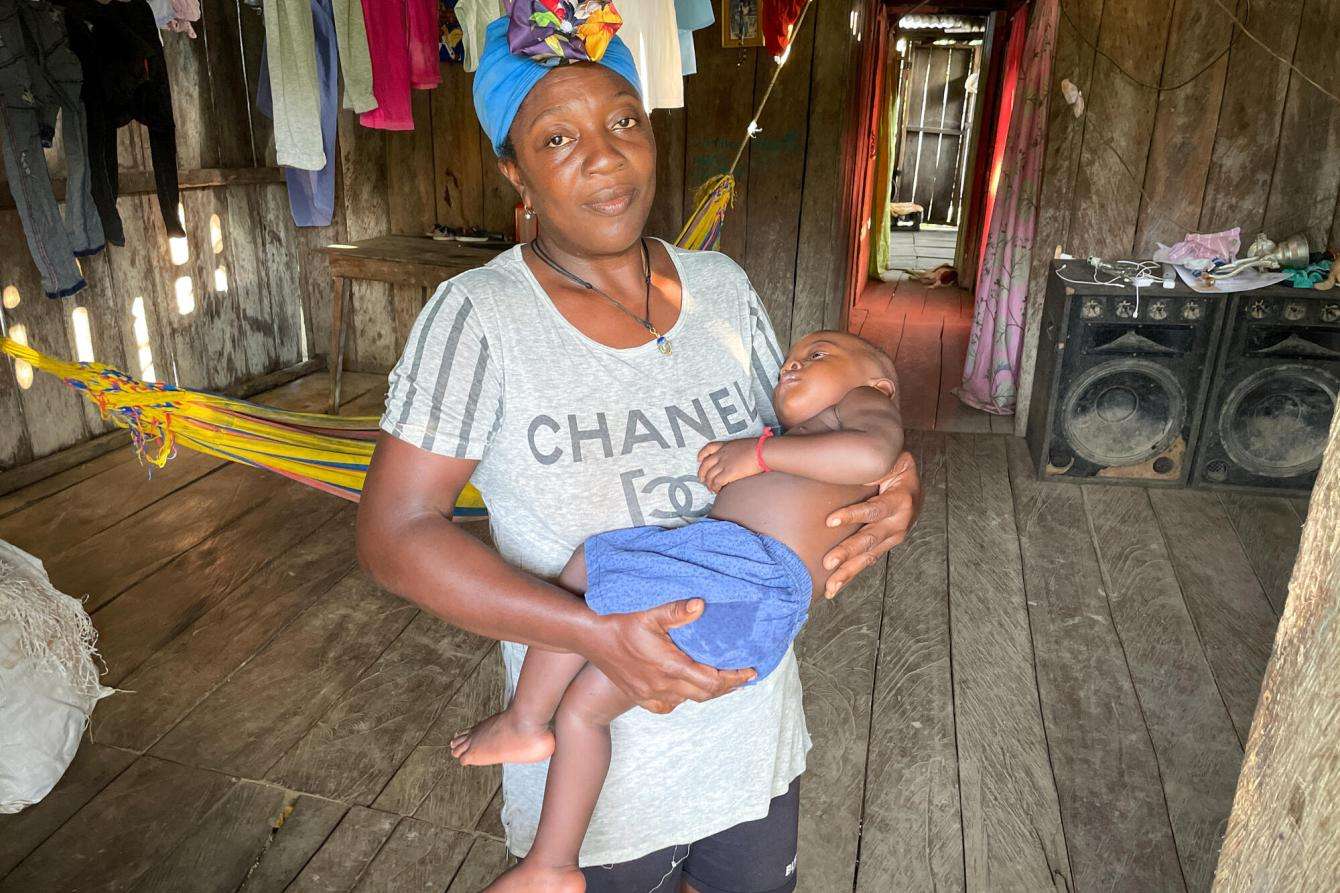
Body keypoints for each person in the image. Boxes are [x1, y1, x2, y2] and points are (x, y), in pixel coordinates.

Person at [355, 14, 922, 893]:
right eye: (557, 137)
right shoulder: (481, 318)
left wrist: (898, 478)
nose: (606, 157)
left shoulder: (722, 289)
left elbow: (831, 425)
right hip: (602, 795)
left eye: (624, 121)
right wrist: (591, 634)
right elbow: (394, 534)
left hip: (749, 745)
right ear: (516, 169)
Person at [452, 330, 902, 892]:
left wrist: (758, 453)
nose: (792, 364)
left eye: (818, 355)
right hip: (737, 591)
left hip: (745, 578)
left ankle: (524, 723)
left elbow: (876, 453)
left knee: (592, 566)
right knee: (584, 711)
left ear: (878, 384)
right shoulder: (814, 432)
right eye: (791, 357)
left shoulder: (861, 405)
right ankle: (553, 863)